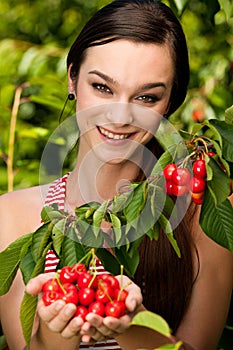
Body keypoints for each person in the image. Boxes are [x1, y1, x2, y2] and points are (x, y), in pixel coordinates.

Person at [0, 0, 232, 349]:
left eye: (146, 97)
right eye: (103, 88)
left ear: (170, 103)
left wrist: (129, 323)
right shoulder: (11, 217)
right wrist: (58, 330)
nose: (120, 116)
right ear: (72, 79)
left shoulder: (201, 211)